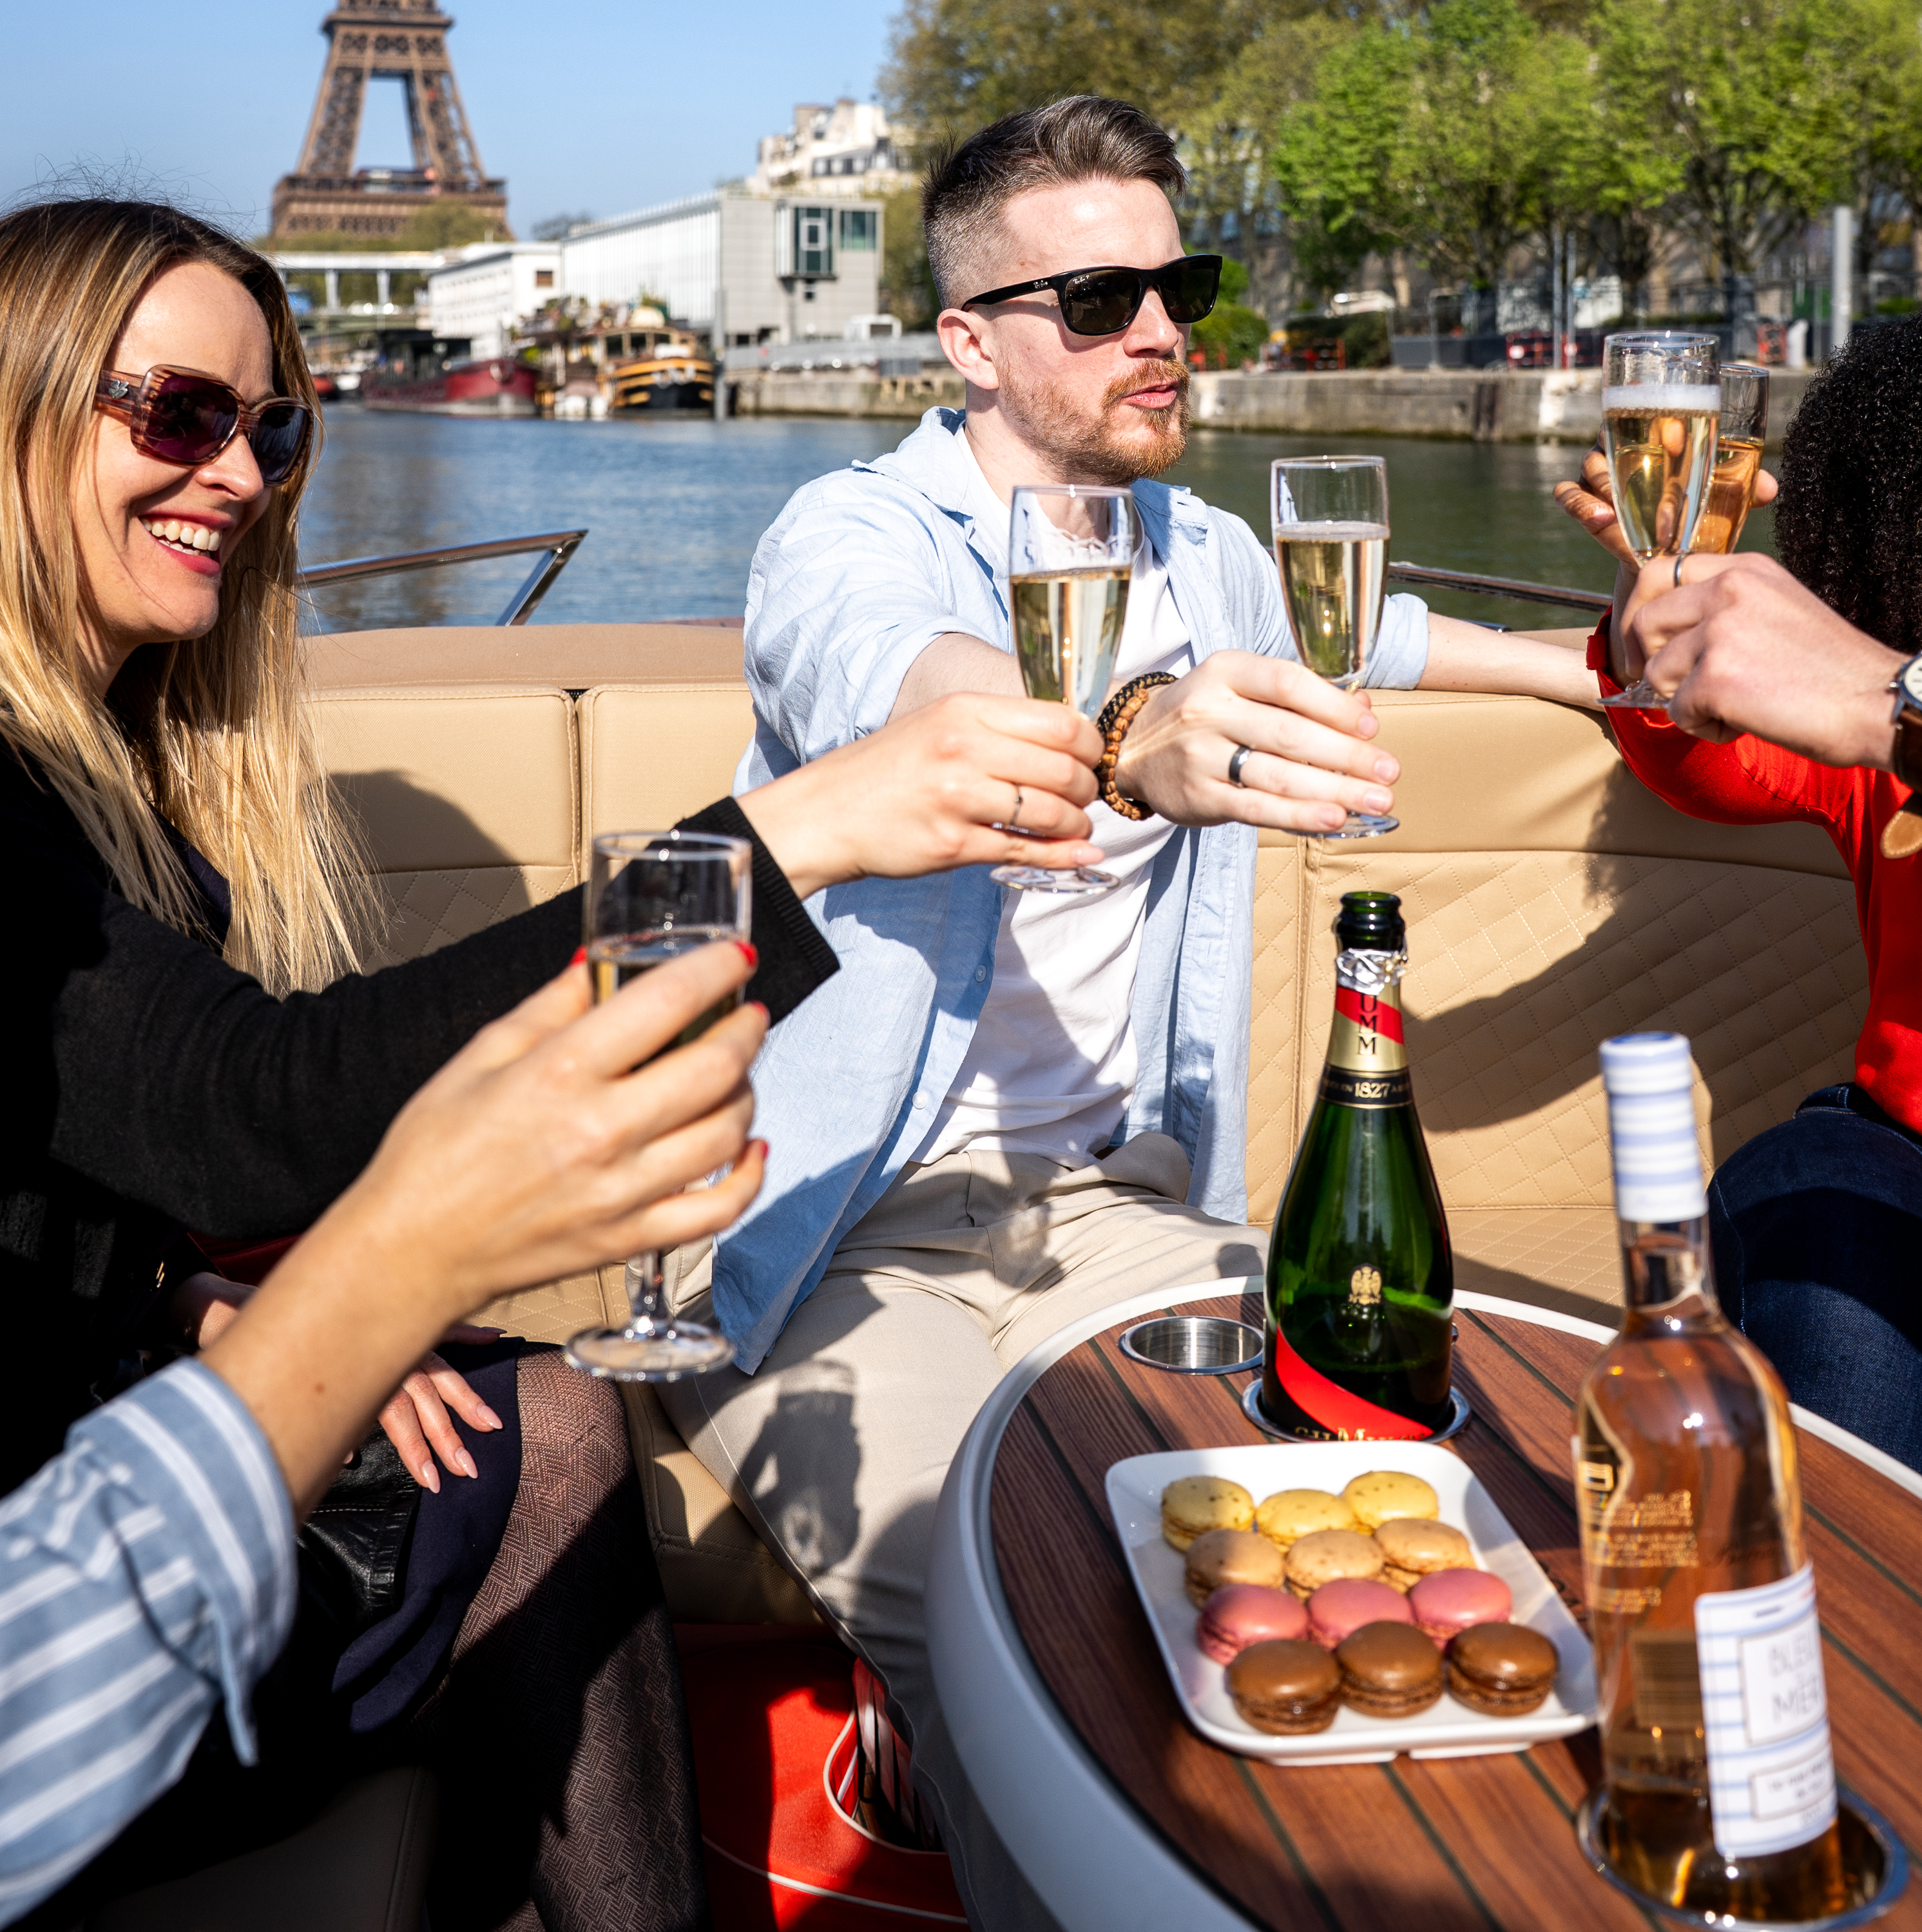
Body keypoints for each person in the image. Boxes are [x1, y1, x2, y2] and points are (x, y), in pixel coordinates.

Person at [0, 193, 1100, 1932]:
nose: (241, 474)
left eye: (275, 429)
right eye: (175, 417)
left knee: (526, 1425)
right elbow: (251, 1098)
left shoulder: (61, 744)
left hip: (24, 1484)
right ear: (3, 408)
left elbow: (25, 1139)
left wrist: (171, 1287)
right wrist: (786, 839)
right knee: (540, 1445)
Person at [668, 97, 1601, 1714]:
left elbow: (1360, 630)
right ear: (969, 342)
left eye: (1183, 290)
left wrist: (1600, 670)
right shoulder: (850, 536)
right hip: (835, 1226)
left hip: (1115, 1208)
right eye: (1098, 304)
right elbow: (905, 687)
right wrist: (1125, 734)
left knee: (1354, 1539)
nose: (1159, 334)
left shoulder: (1208, 548)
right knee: (997, 1613)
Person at [0, 928, 765, 1932]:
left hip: (34, 1547)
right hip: (15, 1709)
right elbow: (257, 1096)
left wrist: (188, 1305)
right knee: (537, 1483)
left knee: (522, 1446)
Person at [1555, 281, 1922, 1552]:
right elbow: (1703, 759)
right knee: (1814, 1193)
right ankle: (1861, 1584)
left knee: (1897, 1498)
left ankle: (1825, 1573)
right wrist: (1658, 606)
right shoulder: (1888, 715)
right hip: (1912, 1176)